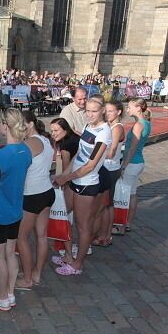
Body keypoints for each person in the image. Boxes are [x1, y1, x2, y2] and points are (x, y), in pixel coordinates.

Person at [52, 98, 111, 275]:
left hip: (87, 184)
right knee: (62, 214)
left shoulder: (104, 133)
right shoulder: (87, 126)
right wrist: (65, 175)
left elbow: (90, 165)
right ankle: (68, 255)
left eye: (94, 111)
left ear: (102, 111)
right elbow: (79, 154)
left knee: (83, 226)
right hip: (74, 180)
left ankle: (77, 264)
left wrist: (66, 178)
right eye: (88, 111)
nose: (90, 115)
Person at [0, 109, 32, 311]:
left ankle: (3, 297)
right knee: (10, 252)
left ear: (5, 126)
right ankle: (10, 293)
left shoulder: (1, 155)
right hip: (16, 209)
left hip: (0, 211)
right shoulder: (25, 150)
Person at [15, 111, 54, 289]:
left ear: (30, 124)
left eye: (21, 124)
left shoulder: (28, 144)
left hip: (32, 195)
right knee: (41, 236)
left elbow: (17, 169)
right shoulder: (45, 140)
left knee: (21, 237)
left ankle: (28, 279)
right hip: (46, 191)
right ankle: (36, 273)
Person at [116, 98, 152, 235]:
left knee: (124, 195)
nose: (127, 109)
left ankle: (121, 225)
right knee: (132, 193)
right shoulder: (146, 123)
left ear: (138, 108)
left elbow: (132, 148)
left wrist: (123, 166)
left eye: (130, 107)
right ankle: (128, 223)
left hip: (132, 163)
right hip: (138, 162)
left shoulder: (138, 125)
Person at [93, 99, 125, 246]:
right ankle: (104, 234)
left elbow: (111, 152)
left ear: (119, 112)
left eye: (111, 111)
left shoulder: (117, 128)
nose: (107, 114)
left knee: (107, 205)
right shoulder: (109, 126)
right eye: (106, 111)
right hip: (106, 167)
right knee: (106, 204)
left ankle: (105, 236)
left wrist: (94, 152)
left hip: (110, 168)